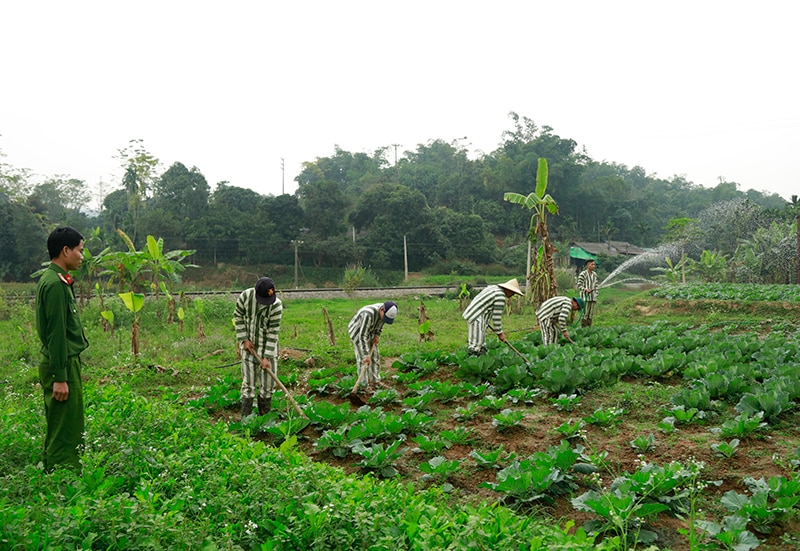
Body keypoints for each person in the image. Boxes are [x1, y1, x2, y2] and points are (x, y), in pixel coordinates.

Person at [35, 226, 89, 472]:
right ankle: (62, 476)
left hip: (65, 361)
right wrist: (60, 377)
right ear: (65, 250)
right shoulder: (55, 284)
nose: (82, 256)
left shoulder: (55, 279)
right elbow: (56, 334)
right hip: (62, 362)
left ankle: (62, 470)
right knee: (64, 426)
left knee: (68, 421)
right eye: (80, 250)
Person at [234, 277, 283, 417]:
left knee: (267, 387)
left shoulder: (277, 306)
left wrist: (266, 357)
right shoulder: (245, 297)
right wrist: (244, 339)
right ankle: (246, 420)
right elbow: (238, 315)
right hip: (249, 349)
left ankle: (263, 420)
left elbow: (273, 332)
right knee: (248, 385)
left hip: (268, 349)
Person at [462, 279, 524, 356]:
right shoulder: (500, 297)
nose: (512, 295)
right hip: (476, 316)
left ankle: (481, 358)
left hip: (474, 313)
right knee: (476, 344)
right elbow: (496, 318)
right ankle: (472, 360)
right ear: (508, 289)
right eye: (513, 292)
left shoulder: (493, 288)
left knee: (480, 342)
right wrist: (500, 333)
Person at [348, 301, 398, 392]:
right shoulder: (368, 314)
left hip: (371, 331)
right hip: (358, 332)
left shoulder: (385, 312)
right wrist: (365, 355)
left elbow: (381, 324)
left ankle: (375, 382)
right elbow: (362, 335)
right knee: (363, 360)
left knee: (375, 357)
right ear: (381, 310)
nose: (385, 320)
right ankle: (364, 385)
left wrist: (377, 335)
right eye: (385, 317)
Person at [577, 259, 598, 327]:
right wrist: (585, 289)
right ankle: (583, 327)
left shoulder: (594, 274)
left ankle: (589, 327)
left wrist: (596, 295)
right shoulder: (583, 274)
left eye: (594, 264)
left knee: (590, 314)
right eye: (592, 264)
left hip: (592, 297)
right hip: (585, 297)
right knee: (585, 313)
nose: (593, 266)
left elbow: (596, 285)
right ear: (588, 265)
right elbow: (579, 285)